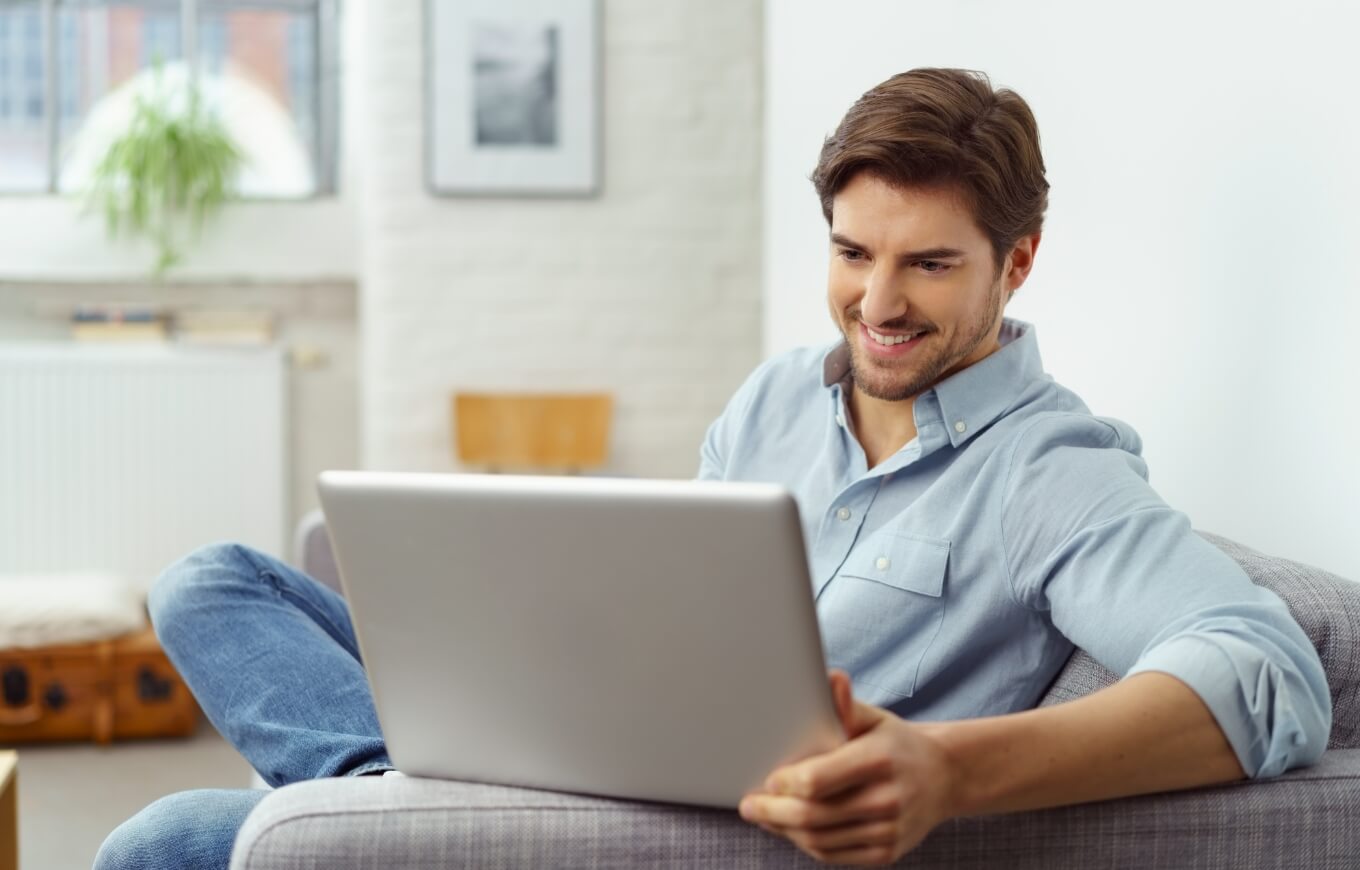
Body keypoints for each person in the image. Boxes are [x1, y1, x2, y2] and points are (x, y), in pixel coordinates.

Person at [95, 68, 1330, 869]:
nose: (878, 304)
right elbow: (664, 605)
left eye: (930, 266)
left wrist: (941, 770)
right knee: (209, 580)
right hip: (595, 742)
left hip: (693, 828)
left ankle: (391, 813)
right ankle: (394, 788)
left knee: (165, 843)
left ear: (1018, 264)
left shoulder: (1052, 471)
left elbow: (1268, 672)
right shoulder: (780, 396)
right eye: (852, 254)